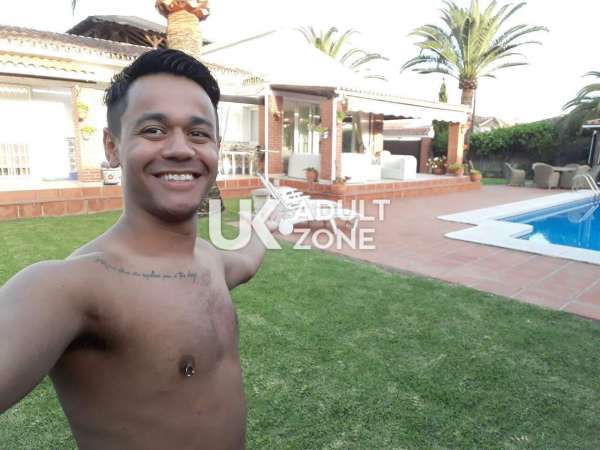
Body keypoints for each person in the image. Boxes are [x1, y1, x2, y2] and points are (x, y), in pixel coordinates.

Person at [0, 49, 271, 450]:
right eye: (154, 130)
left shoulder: (208, 259)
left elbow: (246, 261)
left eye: (198, 134)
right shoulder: (74, 288)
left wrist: (263, 222)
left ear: (216, 147)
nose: (181, 149)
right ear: (112, 146)